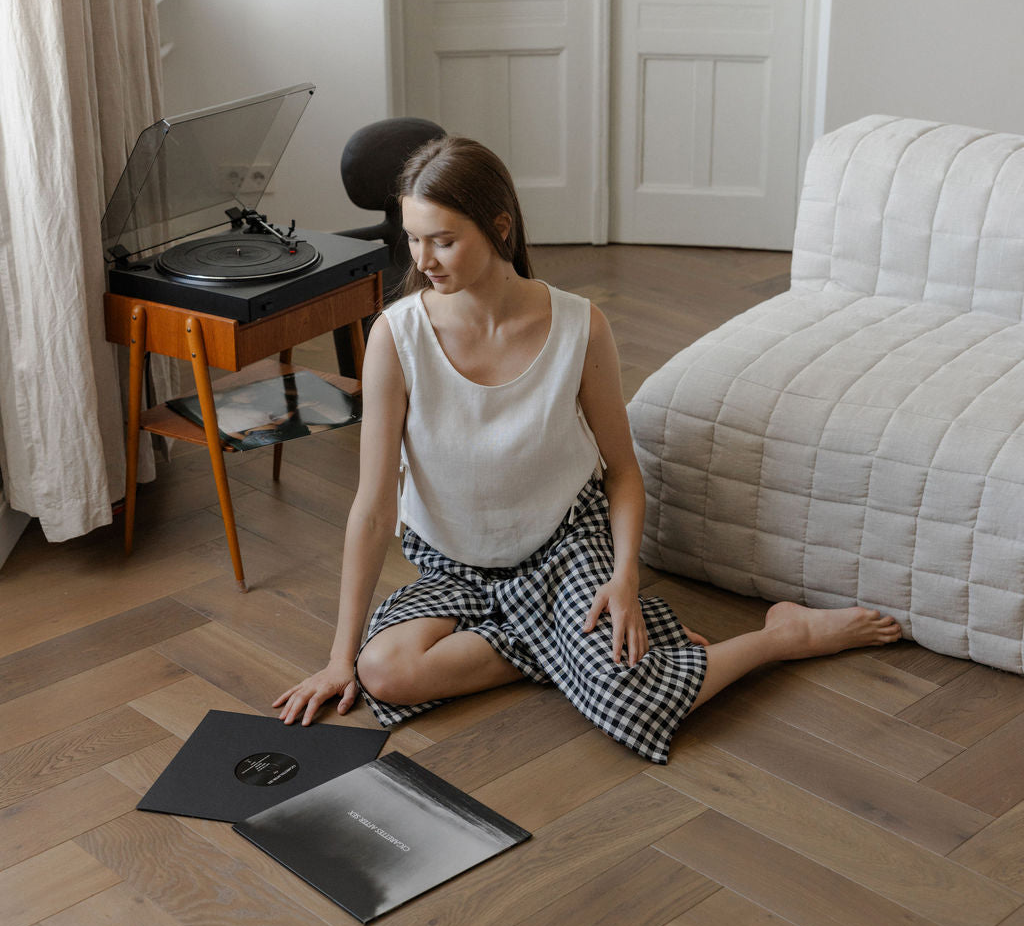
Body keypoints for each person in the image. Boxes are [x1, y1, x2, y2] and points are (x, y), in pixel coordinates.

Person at [274, 136, 902, 763]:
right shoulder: (396, 336)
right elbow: (375, 509)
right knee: (382, 670)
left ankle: (783, 637)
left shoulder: (579, 326)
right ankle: (574, 652)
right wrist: (338, 660)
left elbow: (623, 474)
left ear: (499, 227)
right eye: (413, 238)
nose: (423, 258)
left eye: (442, 239)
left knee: (629, 699)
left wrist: (624, 578)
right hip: (453, 566)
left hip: (564, 548)